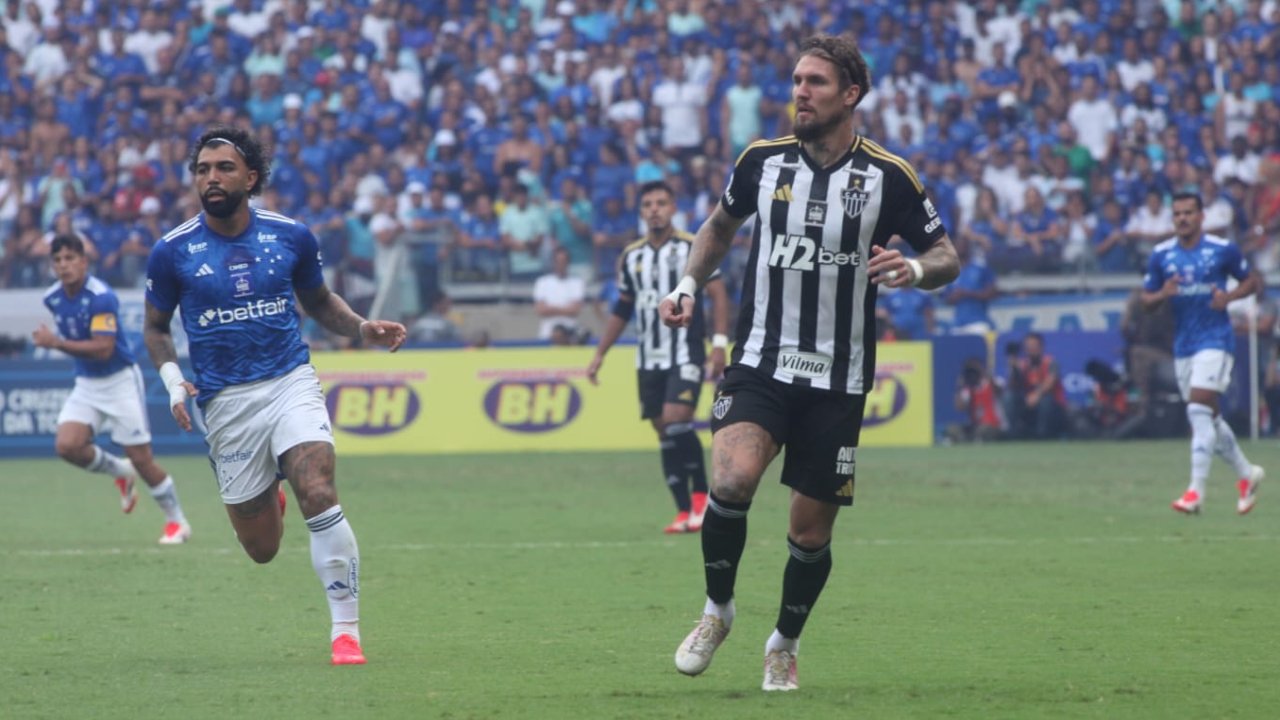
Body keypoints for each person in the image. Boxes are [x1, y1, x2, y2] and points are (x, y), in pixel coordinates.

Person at [658, 35, 959, 692]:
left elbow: (947, 257)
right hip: (761, 362)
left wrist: (911, 267)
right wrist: (686, 284)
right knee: (732, 478)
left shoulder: (890, 177)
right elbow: (718, 227)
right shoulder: (761, 162)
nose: (801, 91)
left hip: (838, 380)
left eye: (817, 82)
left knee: (810, 532)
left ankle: (784, 641)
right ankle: (717, 611)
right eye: (797, 80)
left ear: (850, 95)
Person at [142, 127, 407, 665]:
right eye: (202, 170)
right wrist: (174, 382)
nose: (211, 178)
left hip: (289, 381)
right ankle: (269, 495)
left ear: (251, 177)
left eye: (223, 168)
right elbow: (155, 327)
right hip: (226, 402)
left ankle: (345, 632)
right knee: (262, 549)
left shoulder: (291, 236)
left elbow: (319, 300)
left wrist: (359, 328)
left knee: (319, 490)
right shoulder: (171, 251)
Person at [587, 180, 729, 534]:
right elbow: (623, 308)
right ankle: (683, 511)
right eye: (648, 203)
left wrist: (719, 343)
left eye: (661, 202)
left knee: (677, 419)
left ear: (673, 207)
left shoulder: (691, 247)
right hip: (647, 357)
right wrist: (600, 354)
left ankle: (701, 502)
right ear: (641, 212)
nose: (654, 209)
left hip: (685, 351)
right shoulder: (631, 256)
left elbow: (718, 294)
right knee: (664, 430)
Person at [32, 234, 192, 545]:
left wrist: (56, 343)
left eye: (70, 258)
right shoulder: (52, 297)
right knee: (68, 446)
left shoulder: (102, 296)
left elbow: (104, 348)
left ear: (83, 261)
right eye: (58, 260)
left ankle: (178, 523)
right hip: (88, 384)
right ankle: (121, 471)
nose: (64, 266)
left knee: (143, 459)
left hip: (119, 381)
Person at [1141, 192, 1264, 515]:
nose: (1182, 218)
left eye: (1188, 213)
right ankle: (1246, 474)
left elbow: (1252, 282)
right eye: (1177, 213)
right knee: (1210, 416)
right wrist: (1162, 294)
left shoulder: (1222, 250)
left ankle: (1195, 492)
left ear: (1201, 216)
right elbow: (1146, 301)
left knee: (1197, 410)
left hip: (1216, 339)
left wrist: (1230, 296)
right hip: (1184, 345)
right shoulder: (1161, 255)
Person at [1002, 332, 1068, 440]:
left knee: (1046, 400)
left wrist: (1037, 395)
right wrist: (1013, 369)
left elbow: (1050, 382)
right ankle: (1012, 434)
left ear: (1041, 347)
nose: (1031, 349)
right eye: (1028, 346)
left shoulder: (1051, 362)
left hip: (1052, 406)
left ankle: (1043, 436)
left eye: (1034, 346)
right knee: (1009, 397)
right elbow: (1013, 386)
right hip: (1029, 404)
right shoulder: (1023, 365)